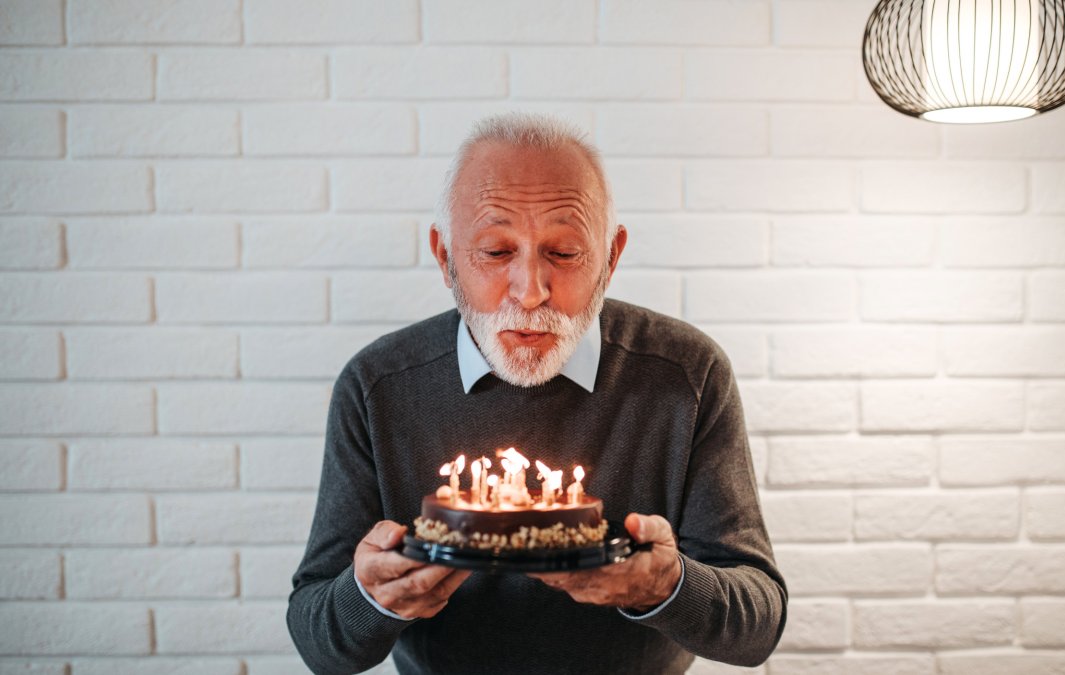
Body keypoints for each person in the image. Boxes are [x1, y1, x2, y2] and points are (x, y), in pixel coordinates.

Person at [287, 113, 786, 674]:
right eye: (496, 253)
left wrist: (665, 586)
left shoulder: (686, 374)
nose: (530, 292)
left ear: (611, 258)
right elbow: (318, 641)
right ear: (445, 256)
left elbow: (757, 629)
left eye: (565, 253)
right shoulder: (378, 386)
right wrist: (371, 598)